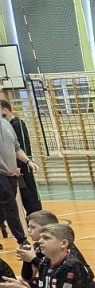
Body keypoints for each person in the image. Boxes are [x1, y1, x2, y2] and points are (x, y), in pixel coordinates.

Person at [0, 102, 37, 247]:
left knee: (3, 208)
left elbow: (16, 148)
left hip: (10, 173)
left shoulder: (7, 124)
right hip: (1, 174)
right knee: (10, 204)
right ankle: (22, 240)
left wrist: (28, 161)